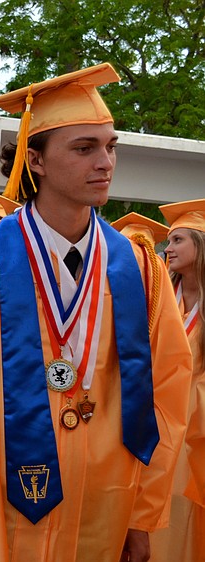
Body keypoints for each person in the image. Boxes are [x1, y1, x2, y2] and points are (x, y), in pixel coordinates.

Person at [0, 63, 191, 562]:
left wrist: (141, 514)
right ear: (37, 160)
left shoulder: (137, 266)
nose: (105, 162)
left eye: (110, 146)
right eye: (84, 148)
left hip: (103, 512)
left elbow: (166, 392)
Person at [149, 199, 205, 561]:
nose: (167, 249)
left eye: (178, 240)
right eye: (168, 241)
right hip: (158, 422)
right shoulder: (159, 297)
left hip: (197, 430)